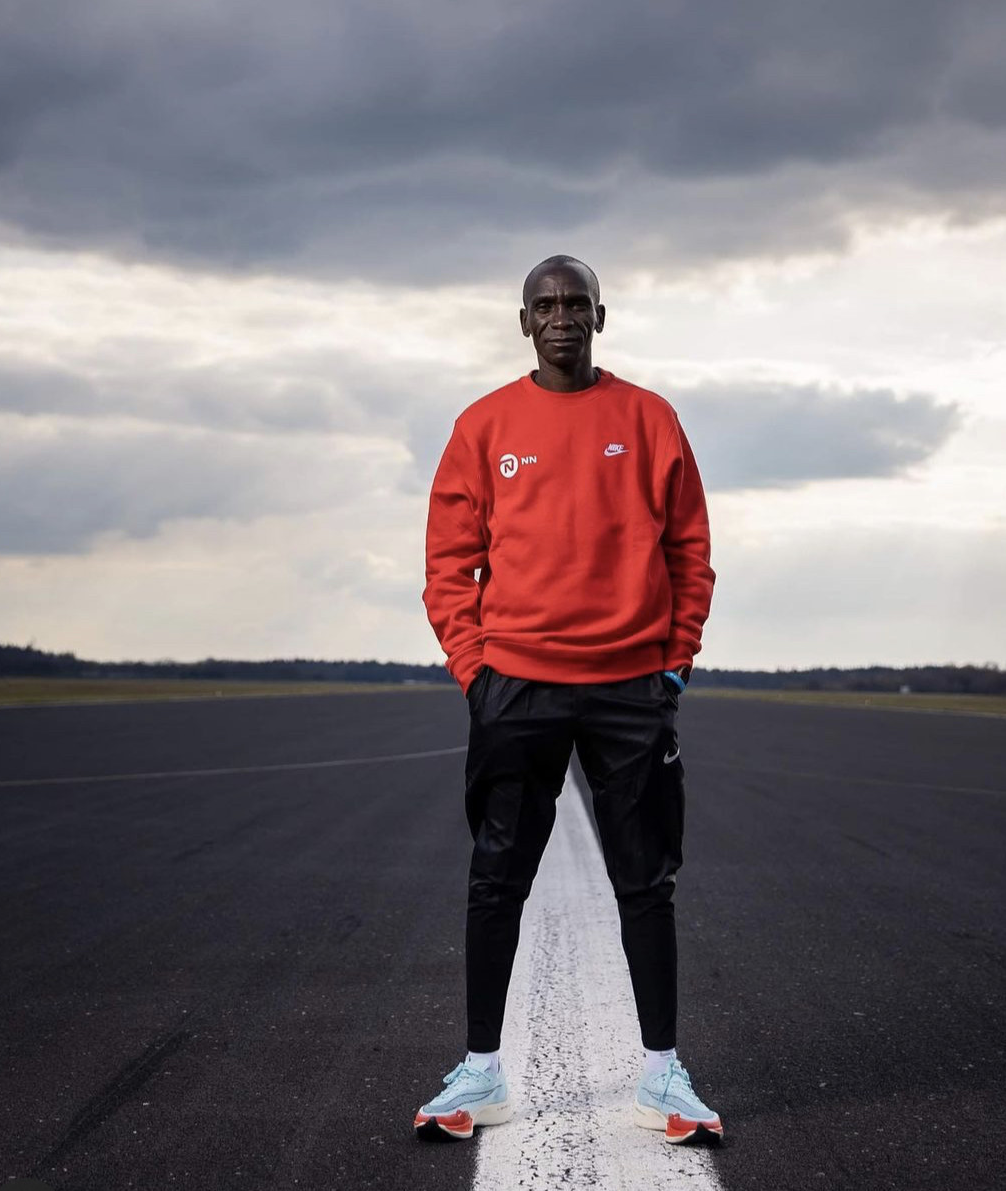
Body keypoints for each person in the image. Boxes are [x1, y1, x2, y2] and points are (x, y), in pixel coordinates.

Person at [416, 255, 720, 1145]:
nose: (561, 316)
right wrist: (476, 672)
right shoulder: (483, 425)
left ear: (599, 315)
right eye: (545, 305)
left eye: (575, 303)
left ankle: (662, 1076)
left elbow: (690, 549)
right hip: (517, 686)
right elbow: (448, 563)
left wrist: (673, 666)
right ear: (524, 322)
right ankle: (481, 1071)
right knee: (495, 879)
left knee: (646, 881)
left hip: (630, 687)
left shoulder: (649, 418)